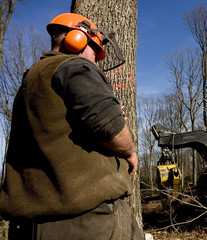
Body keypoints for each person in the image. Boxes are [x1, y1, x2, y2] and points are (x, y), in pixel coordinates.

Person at [0, 13, 144, 239]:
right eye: (95, 51)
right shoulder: (73, 65)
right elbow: (112, 128)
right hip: (85, 223)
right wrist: (130, 152)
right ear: (77, 38)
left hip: (32, 225)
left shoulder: (33, 78)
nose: (96, 61)